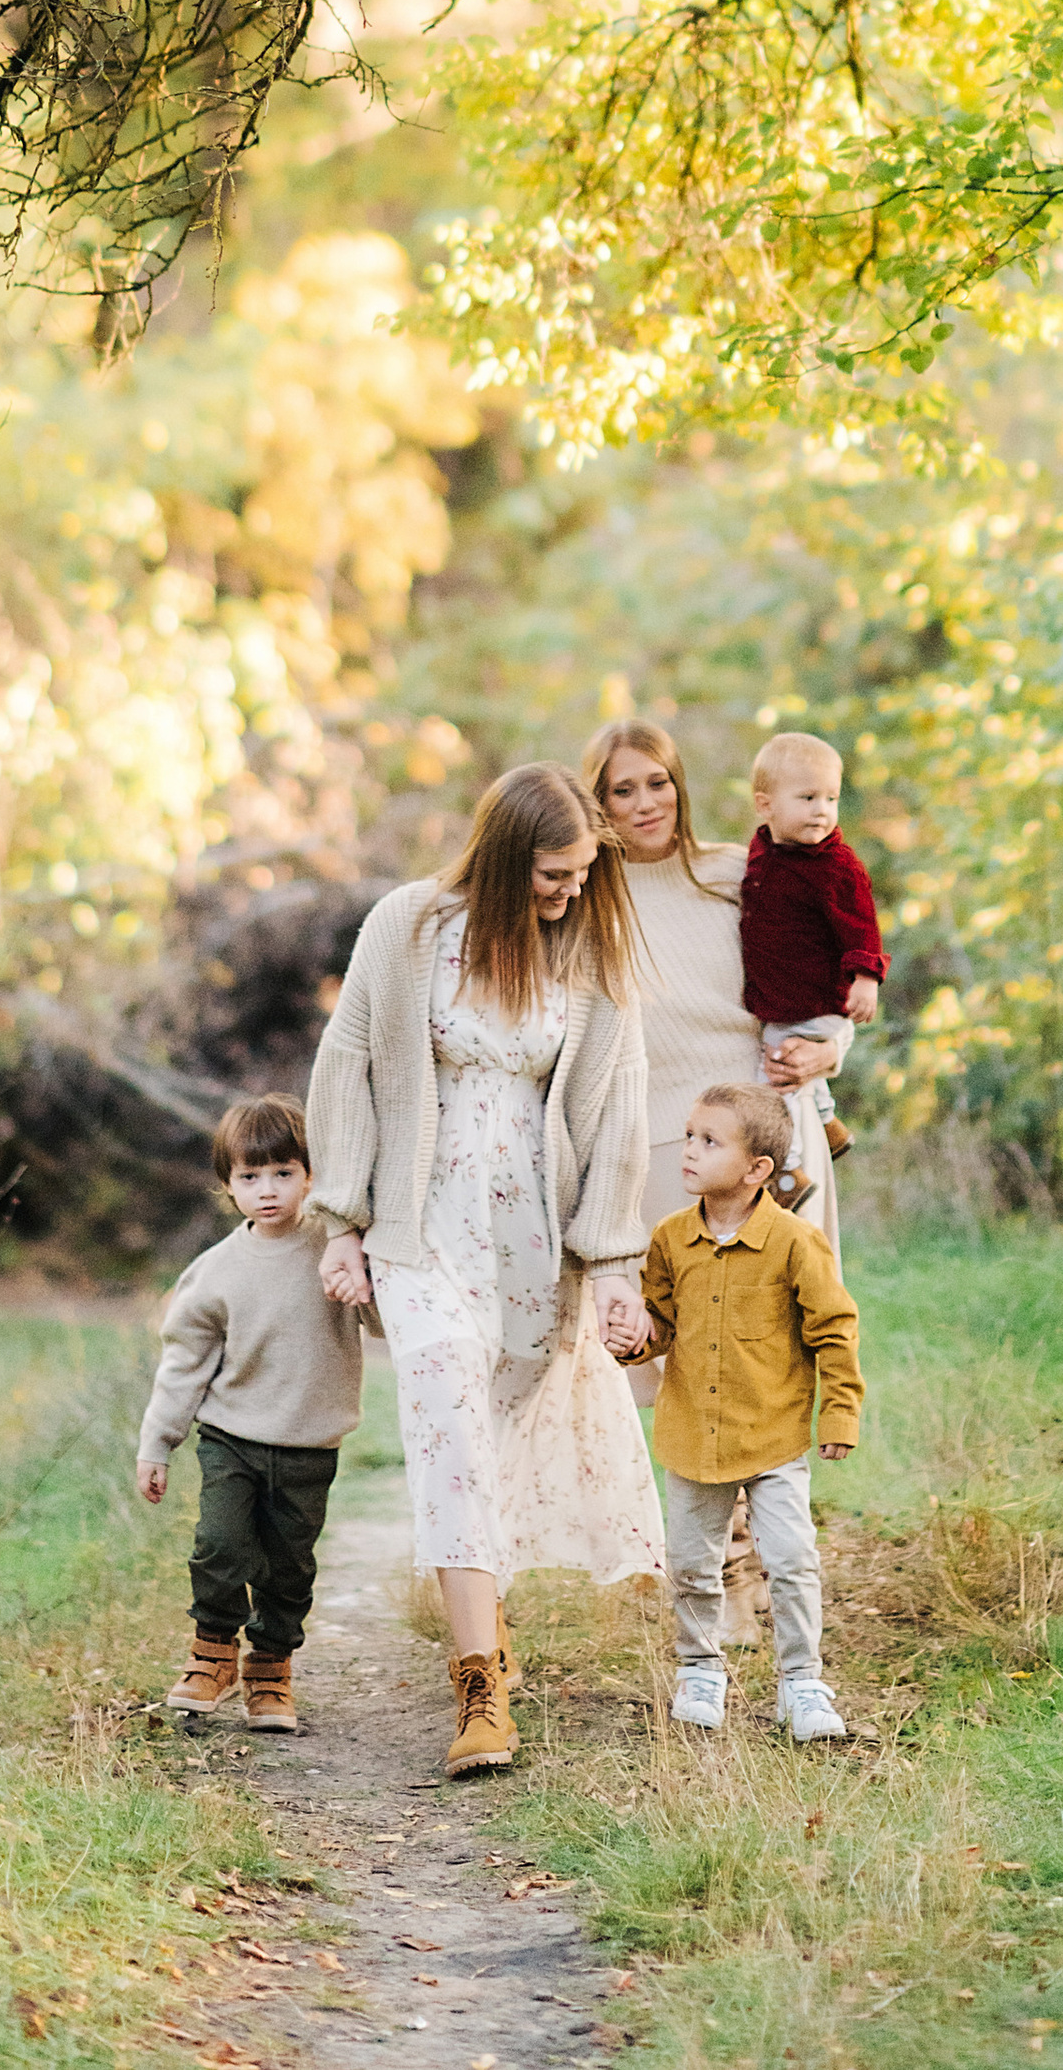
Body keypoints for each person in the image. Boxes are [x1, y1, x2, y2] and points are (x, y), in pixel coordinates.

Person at [307, 761, 661, 1778]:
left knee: (490, 1435)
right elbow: (350, 1066)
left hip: (530, 1243)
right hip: (420, 1230)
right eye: (552, 874)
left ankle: (483, 1624)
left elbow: (613, 1116)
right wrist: (341, 1219)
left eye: (582, 873)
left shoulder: (587, 954)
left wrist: (609, 1264)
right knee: (444, 1401)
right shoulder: (411, 928)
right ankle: (479, 1683)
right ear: (505, 859)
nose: (568, 892)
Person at [632, 1079, 862, 1744]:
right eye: (689, 1136)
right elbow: (661, 1326)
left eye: (709, 1141)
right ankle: (701, 1668)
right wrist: (634, 1339)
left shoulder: (795, 1242)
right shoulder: (671, 1239)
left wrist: (839, 1415)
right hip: (694, 1437)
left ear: (757, 1168)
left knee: (791, 1558)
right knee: (692, 1561)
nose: (689, 1150)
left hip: (774, 1434)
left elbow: (834, 1329)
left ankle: (802, 1679)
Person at [134, 1090, 365, 1734]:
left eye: (284, 1173)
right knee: (220, 1546)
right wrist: (158, 1446)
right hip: (230, 1436)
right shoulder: (214, 1273)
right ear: (227, 1185)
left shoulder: (337, 1246)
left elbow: (378, 1313)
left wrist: (363, 1280)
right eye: (250, 1176)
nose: (268, 1190)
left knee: (289, 1565)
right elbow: (184, 1365)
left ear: (312, 1175)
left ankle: (270, 1669)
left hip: (310, 1443)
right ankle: (211, 1655)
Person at [580, 716, 845, 1251]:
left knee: (800, 1321)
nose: (646, 803)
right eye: (622, 790)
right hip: (666, 1148)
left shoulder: (741, 873)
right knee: (689, 1326)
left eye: (658, 783)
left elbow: (827, 970)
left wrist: (829, 1051)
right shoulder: (584, 904)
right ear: (598, 804)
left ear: (678, 784)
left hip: (777, 1130)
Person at [741, 731, 887, 1141]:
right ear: (764, 805)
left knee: (773, 1081)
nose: (822, 811)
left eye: (831, 799)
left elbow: (862, 925)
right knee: (791, 1078)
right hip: (783, 1000)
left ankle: (788, 1169)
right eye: (807, 798)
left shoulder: (836, 866)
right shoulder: (763, 850)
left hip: (815, 1000)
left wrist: (866, 978)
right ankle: (828, 1125)